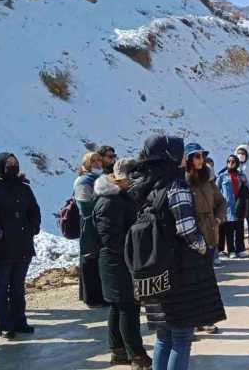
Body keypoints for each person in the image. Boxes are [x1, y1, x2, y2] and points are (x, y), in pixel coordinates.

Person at [129, 135, 226, 370]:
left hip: (154, 271)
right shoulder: (176, 184)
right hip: (180, 272)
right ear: (170, 157)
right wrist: (204, 246)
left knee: (163, 337)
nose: (185, 157)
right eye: (181, 153)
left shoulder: (143, 184)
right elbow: (186, 228)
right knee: (182, 338)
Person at [92, 158, 152, 369]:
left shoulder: (121, 197)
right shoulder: (110, 201)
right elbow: (111, 238)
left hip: (121, 259)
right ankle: (137, 355)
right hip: (117, 261)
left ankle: (118, 351)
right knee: (128, 306)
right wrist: (134, 251)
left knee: (119, 307)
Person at [0, 153, 41, 339]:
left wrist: (33, 227)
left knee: (17, 286)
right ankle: (4, 325)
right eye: (8, 164)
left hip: (22, 244)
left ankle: (19, 320)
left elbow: (34, 210)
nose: (12, 167)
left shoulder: (23, 188)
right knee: (0, 286)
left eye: (15, 163)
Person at [185, 142, 226, 273]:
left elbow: (221, 202)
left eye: (202, 156)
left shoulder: (208, 179)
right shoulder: (182, 182)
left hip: (211, 232)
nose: (201, 160)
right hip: (193, 236)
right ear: (188, 159)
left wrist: (218, 219)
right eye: (197, 156)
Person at [73, 152, 106, 308]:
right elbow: (84, 205)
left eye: (99, 160)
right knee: (90, 258)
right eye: (93, 161)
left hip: (100, 222)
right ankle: (92, 298)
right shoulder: (83, 181)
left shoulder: (100, 179)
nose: (98, 163)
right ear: (86, 163)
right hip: (89, 224)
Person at [216, 155, 249, 257]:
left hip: (239, 205)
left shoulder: (241, 176)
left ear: (237, 163)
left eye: (233, 161)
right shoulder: (222, 176)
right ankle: (231, 250)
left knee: (239, 228)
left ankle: (240, 249)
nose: (231, 163)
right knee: (229, 229)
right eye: (229, 161)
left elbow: (245, 190)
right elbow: (217, 191)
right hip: (227, 206)